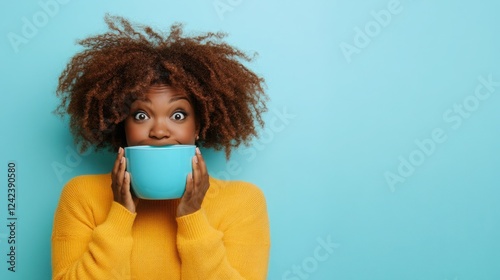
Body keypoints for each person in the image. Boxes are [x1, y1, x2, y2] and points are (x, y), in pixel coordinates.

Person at [51, 15, 270, 279]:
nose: (159, 131)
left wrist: (193, 217)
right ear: (122, 124)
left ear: (199, 126)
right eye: (141, 116)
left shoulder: (242, 202)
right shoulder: (82, 197)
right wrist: (120, 214)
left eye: (178, 115)